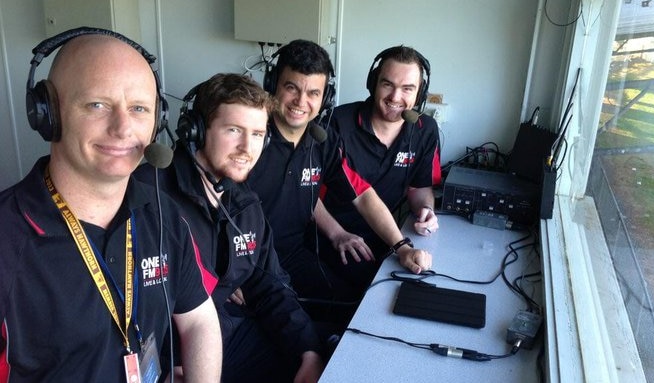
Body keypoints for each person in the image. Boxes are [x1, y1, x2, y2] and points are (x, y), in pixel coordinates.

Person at [0, 28, 221, 382]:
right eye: (97, 105)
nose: (122, 128)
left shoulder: (164, 215)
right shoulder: (7, 241)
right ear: (47, 113)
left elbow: (198, 319)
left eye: (138, 108)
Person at [134, 73, 325, 383]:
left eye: (258, 134)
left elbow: (269, 284)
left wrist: (307, 350)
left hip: (228, 336)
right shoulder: (148, 195)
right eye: (234, 130)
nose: (246, 147)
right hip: (172, 356)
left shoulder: (245, 204)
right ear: (196, 131)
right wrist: (170, 364)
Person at [248, 39, 432, 309]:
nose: (301, 101)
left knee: (354, 305)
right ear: (272, 84)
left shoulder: (322, 141)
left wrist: (402, 247)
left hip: (292, 256)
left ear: (326, 97)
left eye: (313, 92)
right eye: (291, 88)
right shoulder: (249, 137)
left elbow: (363, 195)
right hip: (248, 263)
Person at [316, 45, 442, 284]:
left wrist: (426, 210)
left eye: (407, 88)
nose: (395, 97)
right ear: (374, 83)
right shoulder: (338, 124)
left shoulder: (425, 130)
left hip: (385, 235)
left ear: (420, 93)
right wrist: (336, 233)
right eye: (388, 84)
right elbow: (307, 192)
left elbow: (420, 188)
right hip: (332, 235)